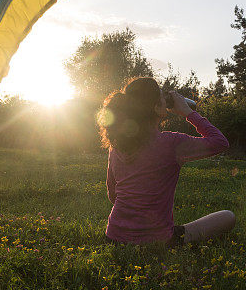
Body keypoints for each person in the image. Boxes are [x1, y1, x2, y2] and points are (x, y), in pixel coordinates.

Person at [98, 76, 236, 246]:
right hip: (157, 241)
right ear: (156, 107)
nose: (167, 99)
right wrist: (188, 113)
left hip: (113, 237)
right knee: (228, 216)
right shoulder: (171, 143)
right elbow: (220, 142)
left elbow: (113, 196)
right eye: (163, 97)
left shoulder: (116, 146)